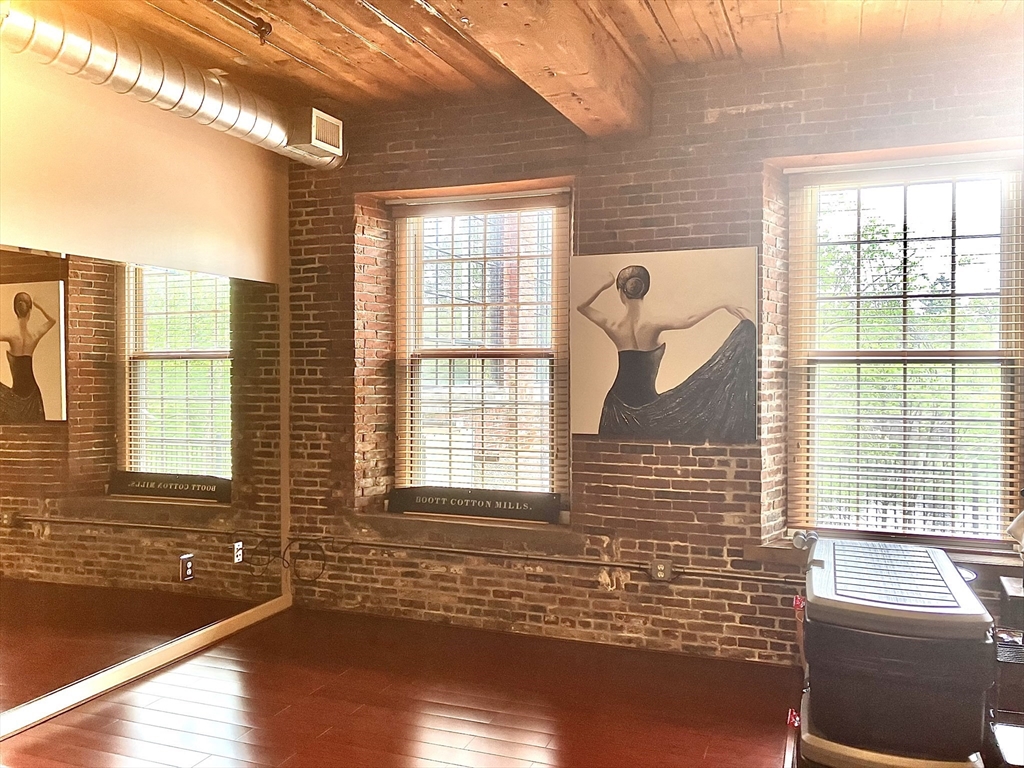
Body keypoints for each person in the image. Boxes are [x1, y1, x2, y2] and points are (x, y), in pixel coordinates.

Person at [576, 265, 756, 442]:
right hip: (649, 409)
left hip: (615, 406)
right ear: (644, 290)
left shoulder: (613, 325)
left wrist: (603, 283)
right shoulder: (653, 324)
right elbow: (688, 320)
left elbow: (581, 306)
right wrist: (721, 302)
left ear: (621, 293)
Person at [0, 291, 56, 423]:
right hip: (32, 391)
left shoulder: (11, 335)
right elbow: (52, 320)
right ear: (29, 310)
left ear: (15, 310)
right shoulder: (34, 335)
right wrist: (39, 306)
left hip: (17, 393)